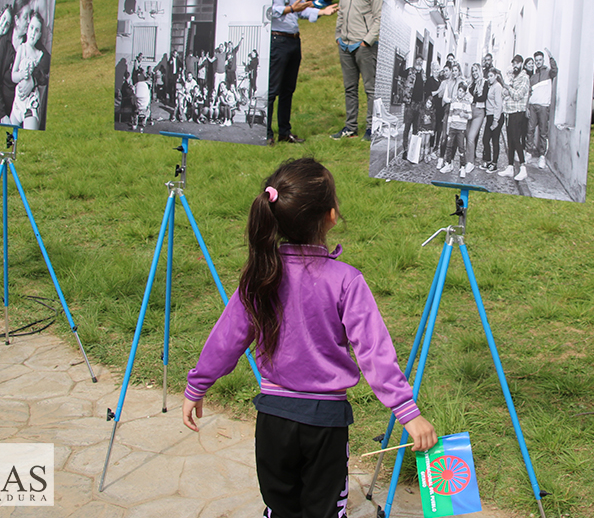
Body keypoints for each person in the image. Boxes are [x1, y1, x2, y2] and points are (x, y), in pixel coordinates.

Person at [182, 158, 438, 517]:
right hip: (325, 426)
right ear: (331, 216)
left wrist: (197, 386)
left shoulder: (259, 276)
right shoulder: (346, 280)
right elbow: (374, 353)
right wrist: (407, 413)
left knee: (281, 509)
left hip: (272, 422)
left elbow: (225, 340)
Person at [265, 0, 338, 146]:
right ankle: (266, 133)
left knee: (288, 89)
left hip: (293, 39)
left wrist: (321, 12)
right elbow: (267, 10)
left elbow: (301, 10)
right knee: (272, 90)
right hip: (277, 39)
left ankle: (284, 132)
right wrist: (290, 8)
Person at [333, 0, 383, 141]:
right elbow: (341, 12)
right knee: (349, 88)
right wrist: (338, 36)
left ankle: (372, 129)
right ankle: (350, 128)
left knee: (370, 89)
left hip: (364, 46)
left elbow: (379, 18)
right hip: (344, 45)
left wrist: (366, 41)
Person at [9, 10, 50, 131]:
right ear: (27, 29)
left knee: (30, 128)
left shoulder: (40, 55)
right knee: (11, 130)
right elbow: (13, 76)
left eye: (37, 30)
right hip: (18, 99)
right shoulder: (22, 49)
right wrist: (21, 75)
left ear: (40, 34)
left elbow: (43, 78)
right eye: (31, 28)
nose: (33, 33)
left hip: (31, 100)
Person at [499, 57, 531, 181]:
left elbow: (518, 95)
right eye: (513, 63)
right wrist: (507, 89)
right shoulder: (513, 77)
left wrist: (508, 88)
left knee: (516, 140)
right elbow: (503, 93)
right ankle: (510, 167)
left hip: (518, 112)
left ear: (521, 64)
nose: (515, 65)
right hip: (508, 112)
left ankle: (523, 168)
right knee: (510, 141)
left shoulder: (524, 78)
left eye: (517, 63)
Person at [526, 50, 558, 167]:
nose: (538, 62)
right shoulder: (533, 77)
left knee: (543, 132)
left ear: (543, 60)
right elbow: (529, 93)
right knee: (530, 130)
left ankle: (542, 156)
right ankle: (528, 152)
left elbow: (555, 71)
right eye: (536, 61)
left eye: (540, 60)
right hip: (533, 106)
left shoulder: (549, 73)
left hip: (544, 106)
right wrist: (527, 107)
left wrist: (551, 58)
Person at [482, 68, 505, 173]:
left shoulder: (497, 87)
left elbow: (498, 104)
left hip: (496, 116)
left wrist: (496, 120)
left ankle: (494, 163)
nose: (489, 78)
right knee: (485, 139)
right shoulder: (490, 86)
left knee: (495, 140)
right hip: (489, 115)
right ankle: (487, 160)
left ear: (496, 76)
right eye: (488, 76)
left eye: (491, 76)